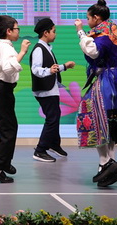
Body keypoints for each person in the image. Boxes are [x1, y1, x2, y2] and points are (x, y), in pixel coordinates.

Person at [74, 0, 117, 188]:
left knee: (96, 118)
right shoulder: (112, 29)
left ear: (96, 18)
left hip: (107, 80)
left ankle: (106, 163)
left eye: (89, 18)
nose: (87, 21)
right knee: (110, 122)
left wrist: (80, 31)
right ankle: (107, 165)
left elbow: (93, 52)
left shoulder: (102, 33)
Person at [0, 15, 30, 183]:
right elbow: (8, 68)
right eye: (17, 28)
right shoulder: (6, 48)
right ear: (9, 31)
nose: (19, 32)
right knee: (8, 130)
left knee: (8, 128)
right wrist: (22, 52)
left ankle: (2, 161)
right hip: (2, 89)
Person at [30, 18, 75, 162]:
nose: (55, 34)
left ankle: (54, 144)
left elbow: (52, 68)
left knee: (55, 116)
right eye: (54, 31)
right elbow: (36, 69)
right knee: (52, 118)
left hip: (51, 89)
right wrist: (50, 70)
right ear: (46, 32)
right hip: (45, 90)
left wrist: (64, 67)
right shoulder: (39, 49)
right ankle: (40, 150)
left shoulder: (46, 48)